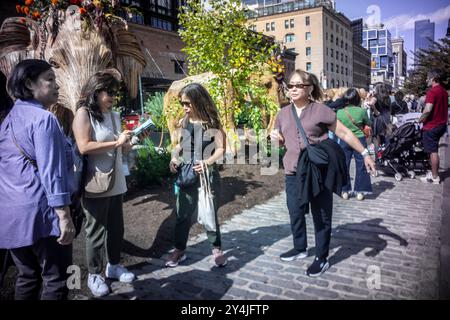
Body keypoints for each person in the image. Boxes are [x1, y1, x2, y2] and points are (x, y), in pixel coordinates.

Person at [271, 70, 376, 277]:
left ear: (309, 88)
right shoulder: (282, 113)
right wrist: (277, 139)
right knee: (295, 212)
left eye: (297, 85)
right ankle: (300, 248)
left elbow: (344, 132)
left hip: (318, 171)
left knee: (321, 215)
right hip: (293, 172)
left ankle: (321, 257)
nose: (292, 89)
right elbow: (280, 141)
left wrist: (365, 153)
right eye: (290, 85)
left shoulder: (320, 110)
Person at [0, 59, 75, 300]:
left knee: (27, 276)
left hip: (11, 215)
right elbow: (51, 172)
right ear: (30, 83)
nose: (57, 86)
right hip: (42, 214)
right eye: (50, 79)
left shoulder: (7, 121)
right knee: (57, 280)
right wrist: (64, 217)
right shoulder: (44, 119)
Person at [72, 69, 135, 297]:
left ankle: (114, 266)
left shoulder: (114, 115)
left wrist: (129, 141)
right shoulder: (83, 114)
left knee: (116, 227)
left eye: (115, 94)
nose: (113, 98)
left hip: (116, 179)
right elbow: (84, 146)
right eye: (110, 93)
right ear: (97, 91)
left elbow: (120, 145)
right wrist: (117, 144)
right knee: (96, 231)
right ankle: (95, 275)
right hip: (95, 181)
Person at [167, 83, 227, 268]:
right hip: (186, 175)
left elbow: (221, 149)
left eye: (187, 103)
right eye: (182, 103)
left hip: (207, 176)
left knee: (209, 213)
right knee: (183, 214)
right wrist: (174, 158)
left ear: (197, 101)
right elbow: (180, 146)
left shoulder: (212, 122)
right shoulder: (185, 121)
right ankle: (179, 250)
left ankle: (216, 249)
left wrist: (206, 163)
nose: (184, 107)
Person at [336, 89, 373, 201]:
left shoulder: (340, 112)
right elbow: (368, 123)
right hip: (359, 139)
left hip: (344, 139)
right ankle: (360, 192)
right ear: (357, 99)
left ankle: (344, 190)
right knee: (361, 165)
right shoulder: (361, 111)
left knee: (344, 164)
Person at [419, 70, 449, 184]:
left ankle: (435, 176)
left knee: (433, 151)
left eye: (428, 78)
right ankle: (432, 172)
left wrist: (420, 119)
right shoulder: (444, 92)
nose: (426, 80)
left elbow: (428, 109)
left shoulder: (432, 92)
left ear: (433, 79)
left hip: (432, 126)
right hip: (441, 124)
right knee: (433, 149)